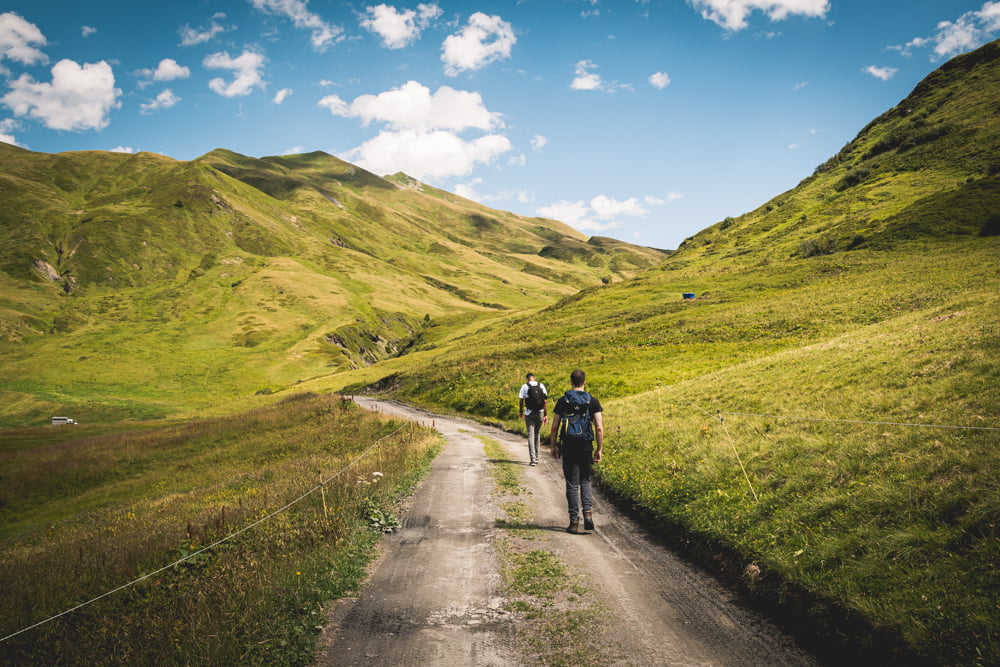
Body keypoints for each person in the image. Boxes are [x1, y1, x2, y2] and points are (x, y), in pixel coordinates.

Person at [550, 369, 604, 534]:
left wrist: (554, 446)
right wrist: (599, 449)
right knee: (585, 480)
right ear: (584, 382)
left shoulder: (563, 401)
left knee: (572, 484)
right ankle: (588, 514)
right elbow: (599, 428)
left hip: (569, 445)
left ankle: (574, 522)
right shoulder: (592, 401)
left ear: (571, 382)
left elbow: (554, 427)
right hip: (586, 445)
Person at [518, 373, 548, 466]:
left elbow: (521, 400)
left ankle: (533, 459)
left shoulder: (525, 386)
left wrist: (521, 412)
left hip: (529, 413)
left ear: (527, 379)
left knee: (531, 435)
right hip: (540, 412)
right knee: (537, 434)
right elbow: (545, 402)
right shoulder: (541, 385)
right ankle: (538, 457)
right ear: (534, 378)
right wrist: (545, 415)